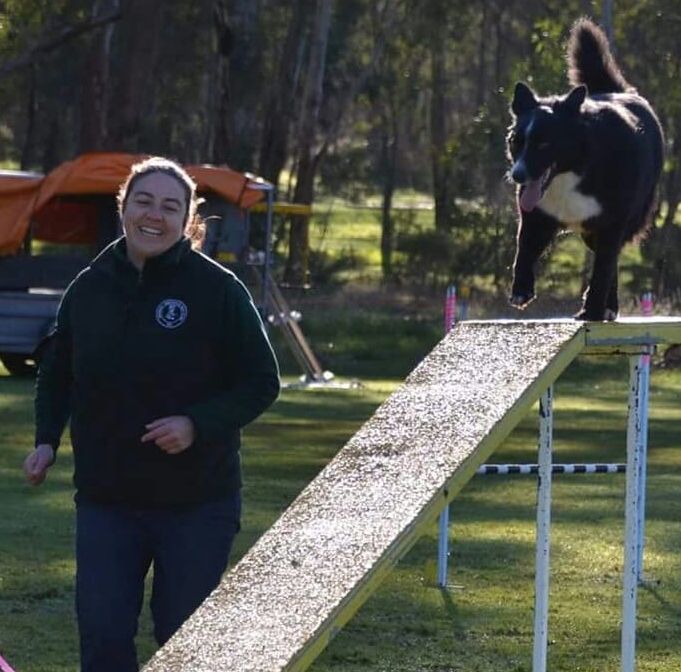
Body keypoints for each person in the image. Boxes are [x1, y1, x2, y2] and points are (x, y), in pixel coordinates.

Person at [23, 156, 280, 672]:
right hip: (106, 500)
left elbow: (261, 382)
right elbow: (57, 372)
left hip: (196, 502)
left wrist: (196, 424)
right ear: (124, 208)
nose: (154, 215)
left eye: (169, 206)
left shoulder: (219, 290)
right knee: (103, 640)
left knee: (181, 639)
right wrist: (47, 438)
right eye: (143, 201)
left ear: (187, 220)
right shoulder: (89, 287)